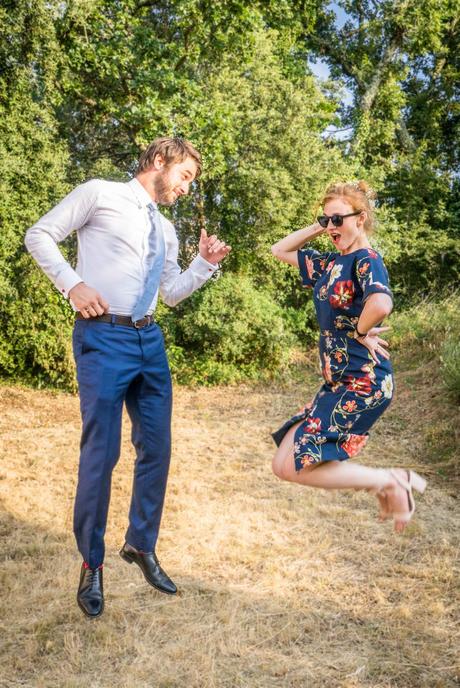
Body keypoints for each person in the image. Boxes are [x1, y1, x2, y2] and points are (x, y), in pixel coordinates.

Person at [25, 136, 231, 618]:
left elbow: (172, 293)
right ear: (159, 162)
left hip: (149, 342)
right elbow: (39, 234)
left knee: (157, 448)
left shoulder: (166, 229)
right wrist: (72, 284)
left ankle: (140, 545)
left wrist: (204, 265)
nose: (185, 188)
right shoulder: (100, 193)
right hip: (104, 336)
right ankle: (91, 562)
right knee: (103, 452)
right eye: (184, 176)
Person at [270, 180, 426, 532]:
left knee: (297, 465)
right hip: (339, 382)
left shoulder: (366, 260)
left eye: (338, 220)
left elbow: (381, 302)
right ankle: (388, 481)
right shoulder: (329, 263)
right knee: (283, 464)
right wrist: (319, 224)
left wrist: (359, 330)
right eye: (327, 221)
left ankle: (390, 481)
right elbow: (279, 250)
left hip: (363, 381)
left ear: (362, 218)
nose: (331, 228)